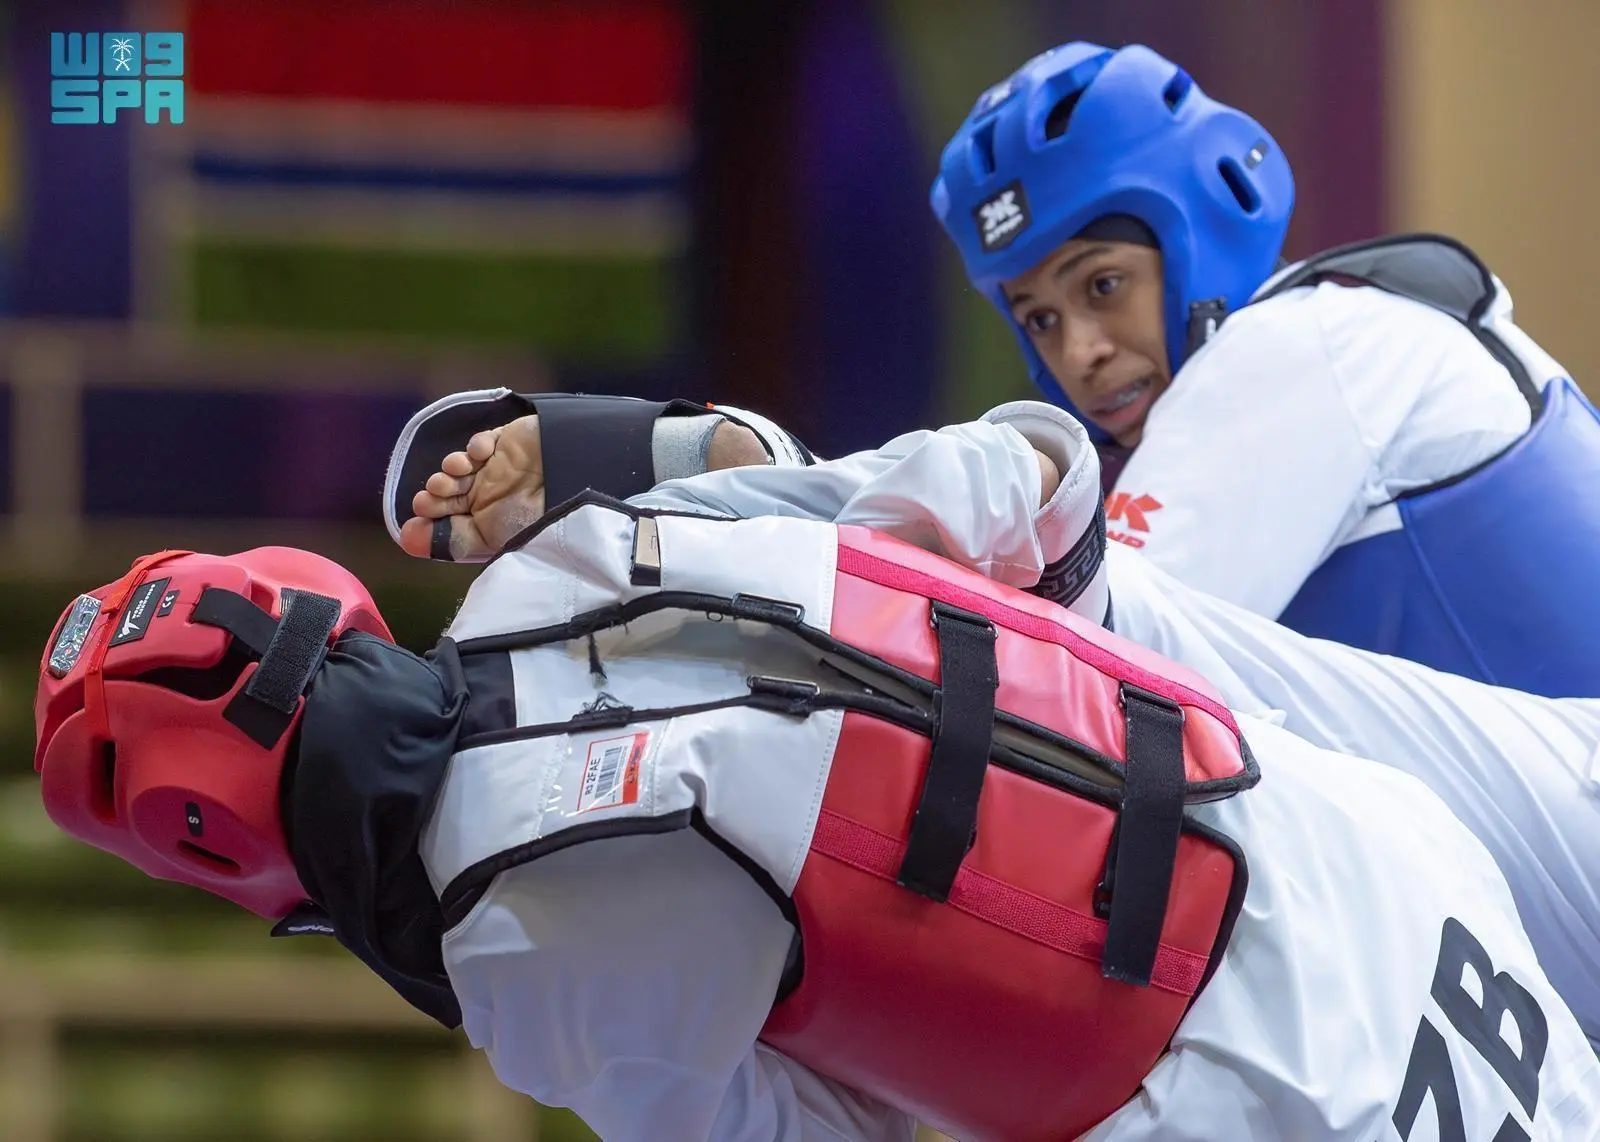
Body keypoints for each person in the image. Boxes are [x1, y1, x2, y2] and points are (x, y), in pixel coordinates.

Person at [34, 417, 1600, 1138]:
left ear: (208, 842)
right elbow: (1030, 471)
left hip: (1267, 1092)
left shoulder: (509, 933)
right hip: (1363, 851)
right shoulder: (586, 551)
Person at [389, 397, 1600, 1051]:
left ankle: (753, 491)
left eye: (1103, 283)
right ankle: (755, 494)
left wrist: (750, 485)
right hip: (1444, 940)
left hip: (1498, 868)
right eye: (1043, 306)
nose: (1088, 343)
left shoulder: (1317, 340)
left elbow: (1046, 540)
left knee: (1087, 638)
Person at [929, 40, 1600, 699]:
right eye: (1041, 320)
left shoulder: (1308, 346)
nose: (1079, 353)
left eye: (1103, 285)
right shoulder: (1359, 325)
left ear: (1210, 222)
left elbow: (1078, 686)